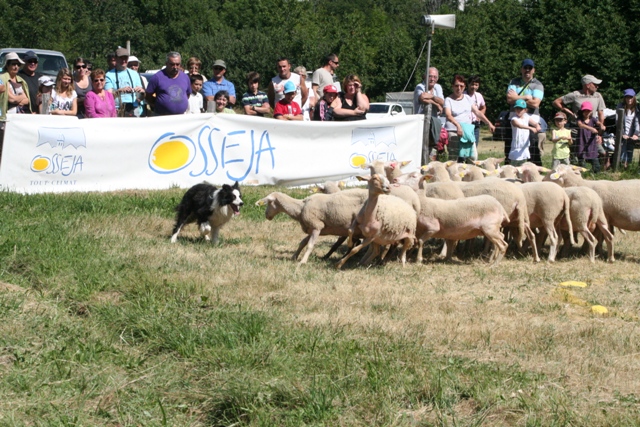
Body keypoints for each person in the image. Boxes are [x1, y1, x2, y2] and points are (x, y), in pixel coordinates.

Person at [444, 74, 495, 162]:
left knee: (472, 157)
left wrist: (488, 123)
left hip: (467, 131)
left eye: (461, 86)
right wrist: (458, 126)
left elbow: (477, 112)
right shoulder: (448, 100)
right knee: (454, 159)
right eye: (456, 85)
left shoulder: (467, 98)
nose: (459, 88)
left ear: (464, 87)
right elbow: (448, 115)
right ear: (452, 86)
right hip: (453, 132)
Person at [506, 59, 544, 164]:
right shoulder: (514, 82)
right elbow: (509, 99)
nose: (527, 70)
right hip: (514, 115)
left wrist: (516, 98)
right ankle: (509, 167)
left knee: (532, 144)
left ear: (533, 70)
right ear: (521, 69)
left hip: (532, 116)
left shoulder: (538, 85)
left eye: (530, 68)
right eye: (525, 68)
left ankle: (535, 168)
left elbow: (536, 103)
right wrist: (526, 97)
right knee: (511, 143)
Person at [145, 52, 191, 116]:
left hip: (181, 117)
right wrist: (159, 104)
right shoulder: (157, 77)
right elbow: (148, 96)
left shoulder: (185, 77)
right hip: (162, 117)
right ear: (166, 64)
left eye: (177, 64)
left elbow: (187, 94)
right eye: (172, 64)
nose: (175, 67)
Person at [105, 47, 145, 117]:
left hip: (134, 108)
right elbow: (108, 96)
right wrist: (120, 91)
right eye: (121, 58)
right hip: (117, 109)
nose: (124, 61)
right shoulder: (108, 75)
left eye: (125, 58)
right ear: (116, 59)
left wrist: (141, 92)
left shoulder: (134, 74)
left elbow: (141, 96)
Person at [509, 99, 541, 166]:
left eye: (521, 109)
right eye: (517, 108)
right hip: (516, 146)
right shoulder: (514, 119)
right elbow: (519, 125)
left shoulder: (526, 117)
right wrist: (531, 128)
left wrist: (537, 126)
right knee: (514, 165)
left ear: (525, 110)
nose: (519, 110)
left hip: (524, 146)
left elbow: (534, 123)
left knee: (523, 165)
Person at [0, 52, 30, 119]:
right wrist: (22, 97)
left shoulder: (21, 80)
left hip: (21, 117)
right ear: (7, 65)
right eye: (13, 64)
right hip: (6, 117)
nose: (16, 66)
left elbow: (27, 100)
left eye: (18, 64)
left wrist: (18, 99)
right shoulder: (2, 78)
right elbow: (12, 99)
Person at [617, 88, 640, 169]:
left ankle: (628, 169)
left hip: (633, 134)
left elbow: (638, 122)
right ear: (625, 98)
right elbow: (618, 121)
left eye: (631, 97)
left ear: (634, 98)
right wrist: (622, 133)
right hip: (623, 133)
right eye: (627, 97)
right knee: (622, 151)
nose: (629, 99)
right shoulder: (620, 107)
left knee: (630, 150)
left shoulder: (637, 109)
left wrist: (636, 134)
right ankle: (621, 168)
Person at [576, 101, 601, 173]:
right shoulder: (579, 119)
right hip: (582, 142)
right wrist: (591, 128)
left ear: (591, 111)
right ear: (582, 111)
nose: (586, 112)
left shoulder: (593, 119)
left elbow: (599, 123)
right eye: (585, 111)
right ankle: (583, 174)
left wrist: (602, 126)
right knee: (582, 162)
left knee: (595, 162)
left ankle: (596, 173)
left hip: (591, 143)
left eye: (588, 111)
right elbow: (580, 125)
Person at [465, 75, 486, 146]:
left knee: (474, 146)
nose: (474, 87)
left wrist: (479, 117)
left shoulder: (479, 96)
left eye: (476, 85)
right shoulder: (462, 94)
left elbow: (483, 107)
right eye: (472, 84)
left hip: (475, 125)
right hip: (465, 125)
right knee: (464, 145)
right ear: (468, 84)